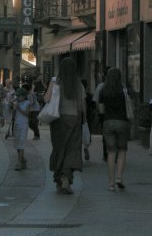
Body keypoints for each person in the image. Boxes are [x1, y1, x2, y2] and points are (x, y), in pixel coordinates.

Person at [43, 56, 86, 194]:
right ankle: (66, 177)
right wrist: (82, 121)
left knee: (59, 148)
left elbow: (46, 98)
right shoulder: (78, 84)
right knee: (71, 149)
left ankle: (59, 177)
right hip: (73, 119)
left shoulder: (55, 82)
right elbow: (81, 106)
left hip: (58, 120)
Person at [97, 67, 130, 191]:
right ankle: (119, 177)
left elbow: (101, 110)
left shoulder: (103, 90)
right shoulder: (124, 90)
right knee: (122, 150)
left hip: (108, 122)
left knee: (111, 152)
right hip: (122, 122)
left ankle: (110, 183)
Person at [93, 66, 110, 161]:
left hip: (105, 115)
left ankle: (106, 154)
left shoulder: (101, 87)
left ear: (103, 75)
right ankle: (116, 154)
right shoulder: (121, 86)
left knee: (106, 135)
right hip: (119, 115)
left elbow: (96, 101)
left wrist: (99, 112)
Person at [12, 86, 30, 170]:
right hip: (16, 124)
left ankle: (19, 163)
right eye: (17, 96)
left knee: (21, 144)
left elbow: (27, 114)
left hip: (24, 124)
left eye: (19, 96)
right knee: (17, 145)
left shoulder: (27, 103)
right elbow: (13, 115)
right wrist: (13, 108)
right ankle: (23, 160)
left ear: (23, 96)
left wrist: (18, 108)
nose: (17, 97)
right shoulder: (16, 103)